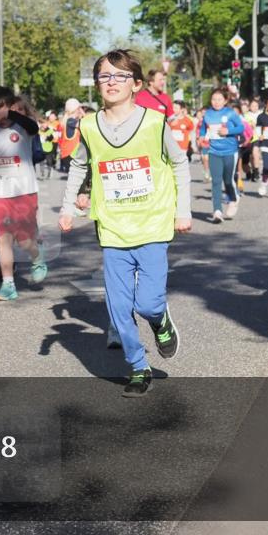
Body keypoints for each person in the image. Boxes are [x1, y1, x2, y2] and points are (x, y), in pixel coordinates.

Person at [58, 49, 191, 397]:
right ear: (96, 83)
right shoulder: (88, 126)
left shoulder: (153, 122)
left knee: (147, 303)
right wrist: (68, 206)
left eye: (120, 76)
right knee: (118, 310)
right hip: (113, 228)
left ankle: (160, 321)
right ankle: (138, 366)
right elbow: (78, 166)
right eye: (105, 76)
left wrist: (183, 210)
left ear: (135, 84)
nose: (111, 82)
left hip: (152, 225)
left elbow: (179, 163)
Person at [0, 87, 48, 301]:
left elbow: (33, 126)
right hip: (1, 192)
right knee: (4, 239)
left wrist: (13, 113)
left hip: (25, 190)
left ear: (9, 107)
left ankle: (37, 257)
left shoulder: (23, 128)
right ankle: (8, 285)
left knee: (24, 240)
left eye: (0, 109)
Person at [200, 90, 244, 223]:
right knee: (216, 181)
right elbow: (203, 128)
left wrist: (228, 131)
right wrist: (202, 136)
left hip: (230, 151)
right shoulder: (207, 114)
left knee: (228, 180)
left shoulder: (230, 113)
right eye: (214, 99)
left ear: (225, 101)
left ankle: (233, 199)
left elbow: (241, 128)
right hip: (214, 151)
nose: (216, 102)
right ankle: (217, 211)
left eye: (219, 99)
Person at [58, 98, 83, 173]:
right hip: (71, 155)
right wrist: (83, 114)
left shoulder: (68, 121)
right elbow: (86, 125)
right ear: (76, 109)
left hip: (69, 155)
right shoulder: (71, 121)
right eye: (80, 108)